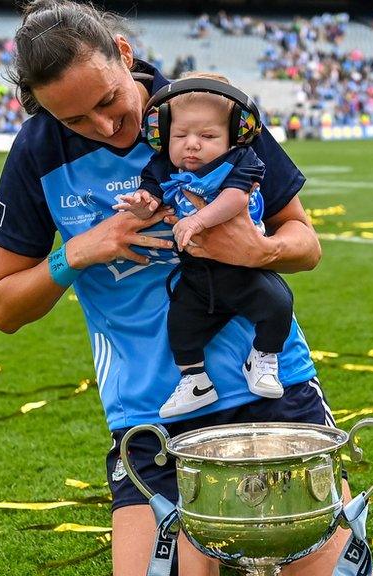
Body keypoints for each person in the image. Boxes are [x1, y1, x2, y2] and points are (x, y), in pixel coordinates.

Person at [0, 2, 351, 575]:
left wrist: (261, 251)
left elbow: (305, 242)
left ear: (124, 56)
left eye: (107, 100)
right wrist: (79, 250)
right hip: (150, 414)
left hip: (272, 393)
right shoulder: (37, 153)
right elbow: (4, 307)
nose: (104, 127)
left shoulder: (207, 109)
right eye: (75, 120)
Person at [115, 72, 290, 419]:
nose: (192, 144)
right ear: (164, 134)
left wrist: (196, 220)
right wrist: (141, 204)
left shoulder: (242, 161)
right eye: (180, 135)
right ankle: (195, 380)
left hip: (242, 266)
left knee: (278, 304)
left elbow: (235, 198)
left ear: (234, 136)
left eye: (208, 135)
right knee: (180, 325)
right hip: (197, 274)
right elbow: (151, 194)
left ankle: (263, 358)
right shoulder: (163, 165)